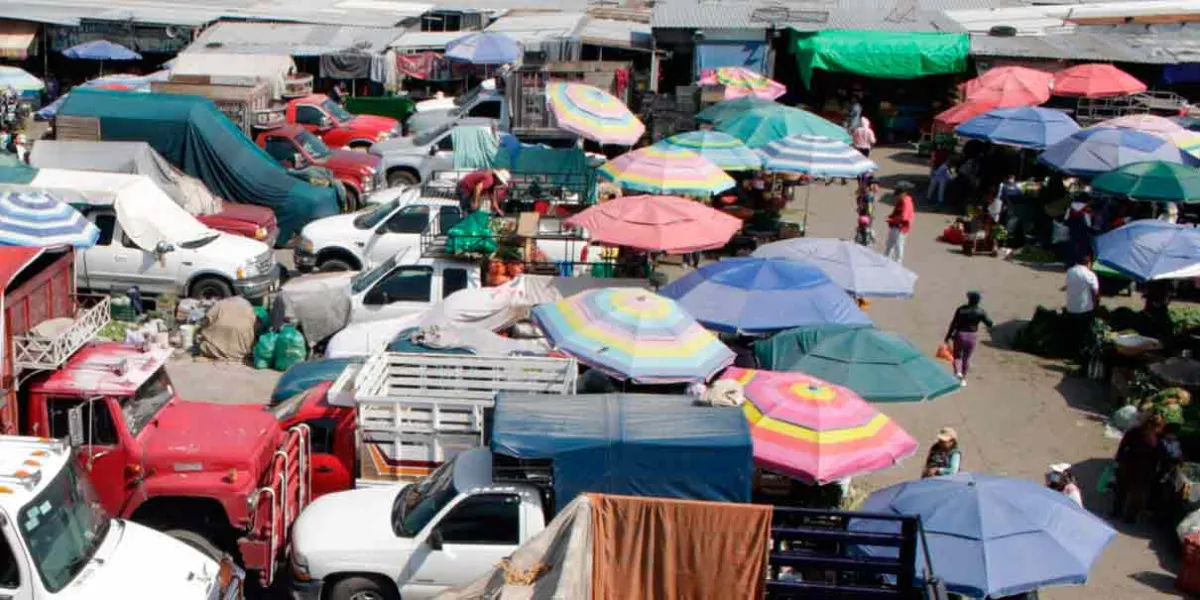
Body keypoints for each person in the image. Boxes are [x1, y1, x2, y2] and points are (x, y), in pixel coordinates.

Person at [1114, 414, 1166, 523]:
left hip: (1128, 465)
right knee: (1136, 495)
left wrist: (1119, 459)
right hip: (1142, 470)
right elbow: (1159, 456)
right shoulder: (1156, 440)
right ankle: (1130, 517)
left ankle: (1117, 511)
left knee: (1122, 490)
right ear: (1156, 427)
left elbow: (1123, 445)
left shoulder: (1135, 431)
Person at [944, 291, 993, 385]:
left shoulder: (961, 309)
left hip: (960, 335)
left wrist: (948, 336)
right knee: (966, 358)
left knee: (957, 356)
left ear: (969, 299)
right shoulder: (980, 311)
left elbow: (953, 323)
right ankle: (963, 379)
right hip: (972, 336)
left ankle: (957, 372)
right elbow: (989, 323)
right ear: (978, 301)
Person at [1065, 256, 1100, 356]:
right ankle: (1080, 354)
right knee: (1084, 334)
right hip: (1084, 310)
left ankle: (1071, 351)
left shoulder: (1070, 271)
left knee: (1073, 333)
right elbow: (1095, 293)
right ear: (1089, 263)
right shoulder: (1090, 275)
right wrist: (1096, 305)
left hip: (1071, 308)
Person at [884, 182, 915, 264]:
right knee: (890, 245)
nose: (897, 196)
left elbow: (904, 217)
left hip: (900, 228)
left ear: (904, 193)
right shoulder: (902, 200)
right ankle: (885, 261)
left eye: (898, 193)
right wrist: (891, 216)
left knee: (898, 246)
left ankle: (898, 264)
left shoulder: (906, 202)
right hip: (895, 227)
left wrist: (892, 220)